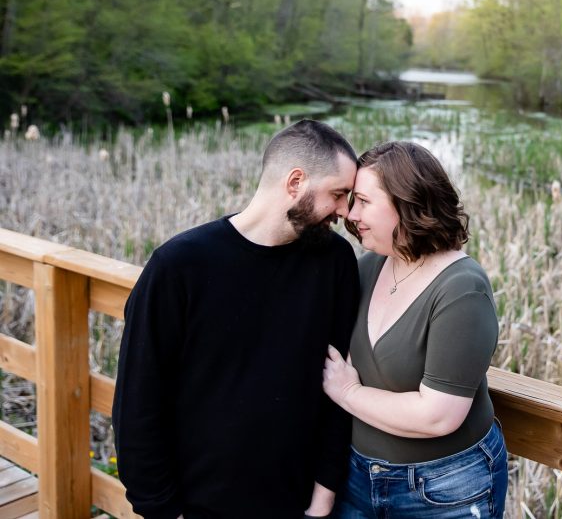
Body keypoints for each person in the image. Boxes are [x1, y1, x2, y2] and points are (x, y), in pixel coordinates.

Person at [112, 120, 361, 519]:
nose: (345, 211)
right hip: (196, 506)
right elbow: (139, 402)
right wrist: (163, 510)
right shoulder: (179, 266)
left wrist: (322, 500)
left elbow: (338, 387)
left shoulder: (335, 262)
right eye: (338, 194)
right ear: (295, 182)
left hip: (299, 505)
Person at [322, 141, 507, 518]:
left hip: (444, 489)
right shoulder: (368, 267)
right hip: (357, 478)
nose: (351, 214)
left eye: (363, 201)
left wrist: (348, 392)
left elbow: (438, 415)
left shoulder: (461, 288)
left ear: (407, 202)